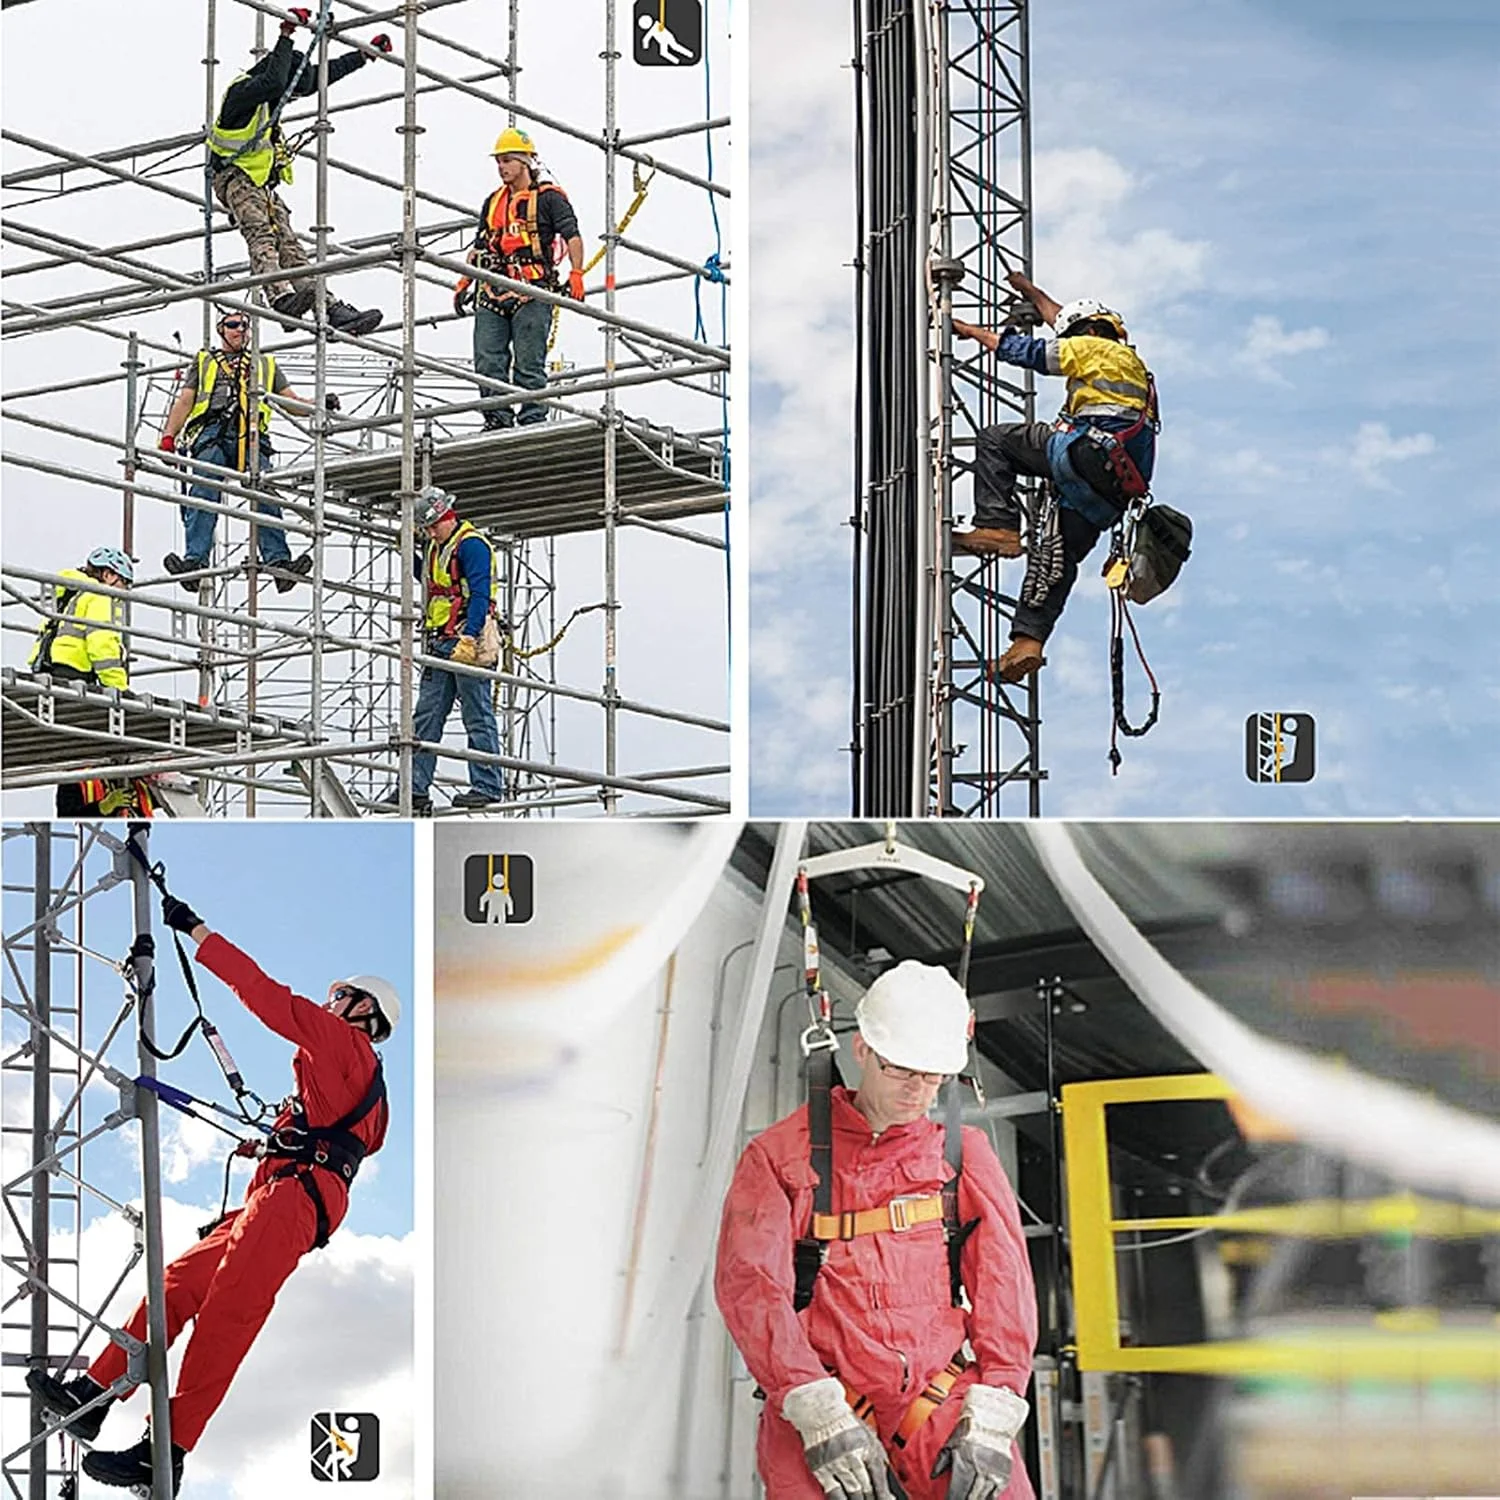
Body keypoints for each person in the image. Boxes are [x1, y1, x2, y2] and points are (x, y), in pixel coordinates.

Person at [26, 893, 399, 1491]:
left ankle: (164, 1449)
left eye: (339, 995)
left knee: (227, 1316)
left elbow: (267, 997)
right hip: (276, 1198)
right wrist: (279, 1145)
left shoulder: (343, 1045)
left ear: (362, 1010)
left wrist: (199, 933)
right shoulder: (348, 1077)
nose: (328, 1001)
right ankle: (94, 1394)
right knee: (174, 1286)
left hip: (289, 1202)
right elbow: (344, 1142)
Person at [716, 961, 1038, 1500]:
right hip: (822, 1394)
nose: (918, 1092)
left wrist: (997, 1408)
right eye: (902, 1071)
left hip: (939, 1396)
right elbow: (751, 1287)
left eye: (933, 1077)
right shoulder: (779, 1157)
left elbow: (1004, 1283)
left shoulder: (963, 1157)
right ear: (862, 1049)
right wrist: (813, 1406)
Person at [953, 269, 1160, 685]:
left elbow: (1028, 352)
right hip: (1113, 488)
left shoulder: (1091, 347)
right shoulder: (1131, 364)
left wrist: (968, 330)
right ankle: (1027, 644)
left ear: (1088, 332)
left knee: (996, 441)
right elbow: (1060, 319)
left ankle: (997, 525)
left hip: (1087, 453)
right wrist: (1032, 292)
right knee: (1056, 558)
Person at [208, 8, 386, 333]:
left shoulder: (269, 98)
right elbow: (276, 80)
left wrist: (361, 56)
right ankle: (279, 296)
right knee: (261, 234)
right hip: (235, 179)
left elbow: (315, 79)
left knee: (290, 246)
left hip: (260, 183)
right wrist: (286, 33)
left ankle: (327, 307)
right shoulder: (242, 94)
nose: (290, 98)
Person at [158, 307, 338, 593]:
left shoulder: (264, 364)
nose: (240, 330)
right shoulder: (205, 361)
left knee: (265, 495)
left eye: (245, 325)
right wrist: (169, 435)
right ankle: (195, 561)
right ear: (221, 330)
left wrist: (319, 404)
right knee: (203, 491)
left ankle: (279, 563)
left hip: (253, 438)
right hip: (212, 435)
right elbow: (186, 401)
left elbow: (290, 401)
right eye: (233, 325)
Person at [452, 127, 586, 430]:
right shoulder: (493, 202)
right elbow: (480, 247)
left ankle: (532, 421)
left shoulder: (549, 199)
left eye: (508, 160)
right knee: (487, 360)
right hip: (492, 288)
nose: (502, 167)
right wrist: (464, 283)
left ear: (525, 161)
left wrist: (576, 273)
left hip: (532, 289)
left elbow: (572, 235)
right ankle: (497, 419)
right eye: (499, 161)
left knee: (528, 362)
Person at [26, 547, 155, 817]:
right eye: (123, 583)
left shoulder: (68, 593)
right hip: (75, 675)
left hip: (50, 674)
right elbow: (102, 646)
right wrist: (119, 691)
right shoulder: (98, 595)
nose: (123, 594)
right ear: (108, 575)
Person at [401, 486, 505, 814]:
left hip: (464, 637)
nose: (430, 533)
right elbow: (430, 583)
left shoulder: (471, 545)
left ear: (447, 516)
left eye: (433, 526)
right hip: (440, 641)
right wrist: (408, 553)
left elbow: (480, 595)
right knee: (426, 717)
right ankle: (414, 789)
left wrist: (470, 638)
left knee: (477, 715)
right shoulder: (437, 546)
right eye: (426, 529)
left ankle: (487, 786)